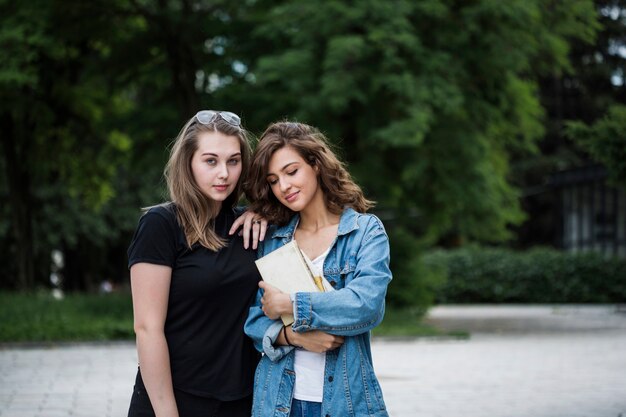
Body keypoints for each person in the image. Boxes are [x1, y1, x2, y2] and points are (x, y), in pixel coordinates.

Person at [244, 121, 392, 417]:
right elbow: (253, 322)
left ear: (316, 164)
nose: (283, 187)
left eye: (291, 171)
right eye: (273, 180)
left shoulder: (364, 233)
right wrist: (294, 337)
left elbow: (366, 306)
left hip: (345, 403)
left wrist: (292, 305)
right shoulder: (273, 239)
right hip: (277, 403)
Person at [127, 110, 267, 417]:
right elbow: (147, 328)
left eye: (233, 161)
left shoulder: (249, 224)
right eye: (211, 160)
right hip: (176, 400)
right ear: (188, 162)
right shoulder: (161, 225)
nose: (224, 174)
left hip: (243, 402)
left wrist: (267, 212)